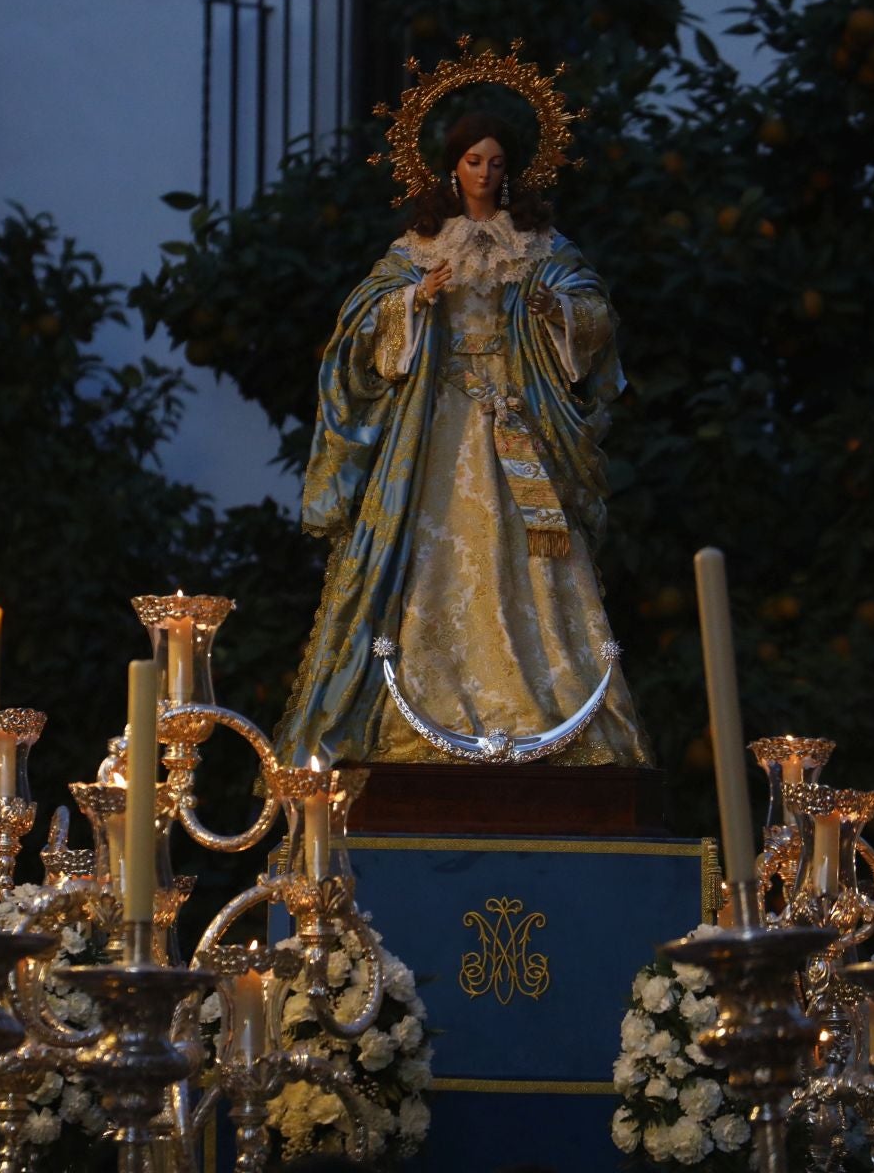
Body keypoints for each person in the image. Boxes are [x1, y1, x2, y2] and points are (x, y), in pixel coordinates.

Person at [277, 110, 650, 767]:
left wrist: (553, 312)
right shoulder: (418, 248)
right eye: (475, 161)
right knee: (435, 553)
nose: (485, 174)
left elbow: (591, 310)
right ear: (453, 167)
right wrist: (415, 300)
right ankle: (418, 711)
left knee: (531, 555)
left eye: (497, 163)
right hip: (438, 424)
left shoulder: (537, 245)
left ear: (512, 171)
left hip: (513, 414)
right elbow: (362, 326)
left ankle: (543, 708)